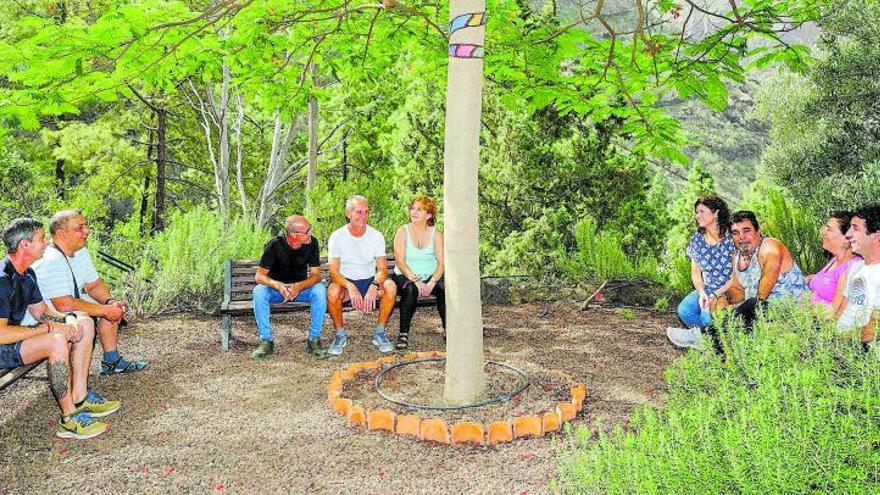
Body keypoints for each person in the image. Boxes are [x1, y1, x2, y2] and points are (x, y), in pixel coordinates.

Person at [0, 218, 119, 440]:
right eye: (41, 238)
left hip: (12, 341)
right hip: (3, 344)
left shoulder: (27, 274)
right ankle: (69, 420)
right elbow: (2, 334)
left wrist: (69, 318)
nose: (46, 243)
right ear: (25, 245)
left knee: (83, 322)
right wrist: (48, 328)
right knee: (55, 340)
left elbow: (41, 311)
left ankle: (80, 397)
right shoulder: (2, 279)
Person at [32, 210, 147, 375]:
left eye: (86, 225)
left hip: (68, 300)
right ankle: (77, 386)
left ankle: (111, 361)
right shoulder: (51, 260)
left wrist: (109, 302)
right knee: (85, 323)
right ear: (61, 234)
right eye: (80, 228)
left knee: (112, 306)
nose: (87, 231)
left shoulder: (79, 250)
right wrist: (105, 310)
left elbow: (94, 284)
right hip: (47, 312)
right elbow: (63, 304)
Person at [326, 195, 397, 356]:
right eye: (359, 212)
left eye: (366, 212)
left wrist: (373, 285)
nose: (363, 216)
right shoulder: (337, 237)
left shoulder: (376, 236)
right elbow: (334, 272)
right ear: (348, 213)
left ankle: (379, 333)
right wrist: (350, 286)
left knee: (390, 287)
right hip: (345, 282)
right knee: (332, 292)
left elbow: (382, 270)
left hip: (368, 280)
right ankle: (340, 334)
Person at [251, 215, 328, 359]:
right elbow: (259, 276)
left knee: (319, 290)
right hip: (276, 291)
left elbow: (316, 275)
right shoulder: (274, 245)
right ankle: (266, 341)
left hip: (301, 289)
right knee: (259, 291)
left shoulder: (312, 243)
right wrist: (278, 285)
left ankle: (314, 340)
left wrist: (299, 286)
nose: (311, 233)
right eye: (307, 231)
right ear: (293, 235)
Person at [666, 196, 735, 346]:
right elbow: (696, 273)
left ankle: (711, 341)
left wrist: (715, 294)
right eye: (697, 212)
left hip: (731, 288)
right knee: (684, 310)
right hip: (708, 288)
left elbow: (737, 275)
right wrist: (702, 292)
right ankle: (710, 341)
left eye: (702, 211)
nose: (698, 215)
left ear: (716, 213)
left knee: (706, 318)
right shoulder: (697, 240)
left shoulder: (732, 237)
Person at [391, 195, 446, 350]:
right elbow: (400, 261)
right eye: (413, 208)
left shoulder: (437, 234)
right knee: (410, 289)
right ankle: (403, 334)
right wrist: (416, 280)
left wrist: (432, 282)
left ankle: (448, 329)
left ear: (428, 215)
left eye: (419, 209)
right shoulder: (403, 231)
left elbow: (442, 262)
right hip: (405, 275)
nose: (414, 212)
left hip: (430, 276)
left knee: (445, 289)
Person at [837, 205, 880, 346]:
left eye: (855, 228)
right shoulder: (856, 267)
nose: (848, 234)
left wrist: (834, 342)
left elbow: (872, 330)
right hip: (840, 345)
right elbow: (841, 311)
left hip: (862, 354)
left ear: (876, 236)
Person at [806, 211, 857, 313]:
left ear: (847, 238)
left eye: (829, 229)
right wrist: (813, 278)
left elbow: (836, 312)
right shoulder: (836, 259)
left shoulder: (852, 269)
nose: (822, 231)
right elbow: (831, 281)